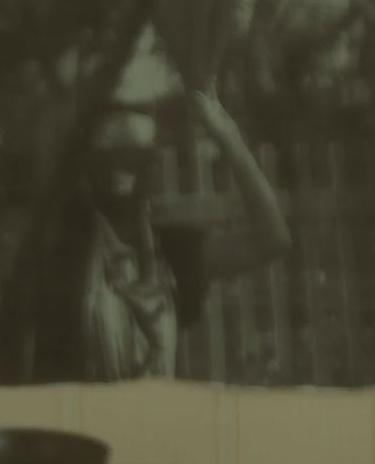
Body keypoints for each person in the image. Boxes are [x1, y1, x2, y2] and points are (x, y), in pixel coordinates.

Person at [80, 88, 289, 380]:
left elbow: (271, 240)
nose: (120, 174)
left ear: (151, 168)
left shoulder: (175, 251)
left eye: (133, 159)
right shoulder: (68, 254)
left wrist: (229, 139)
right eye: (111, 158)